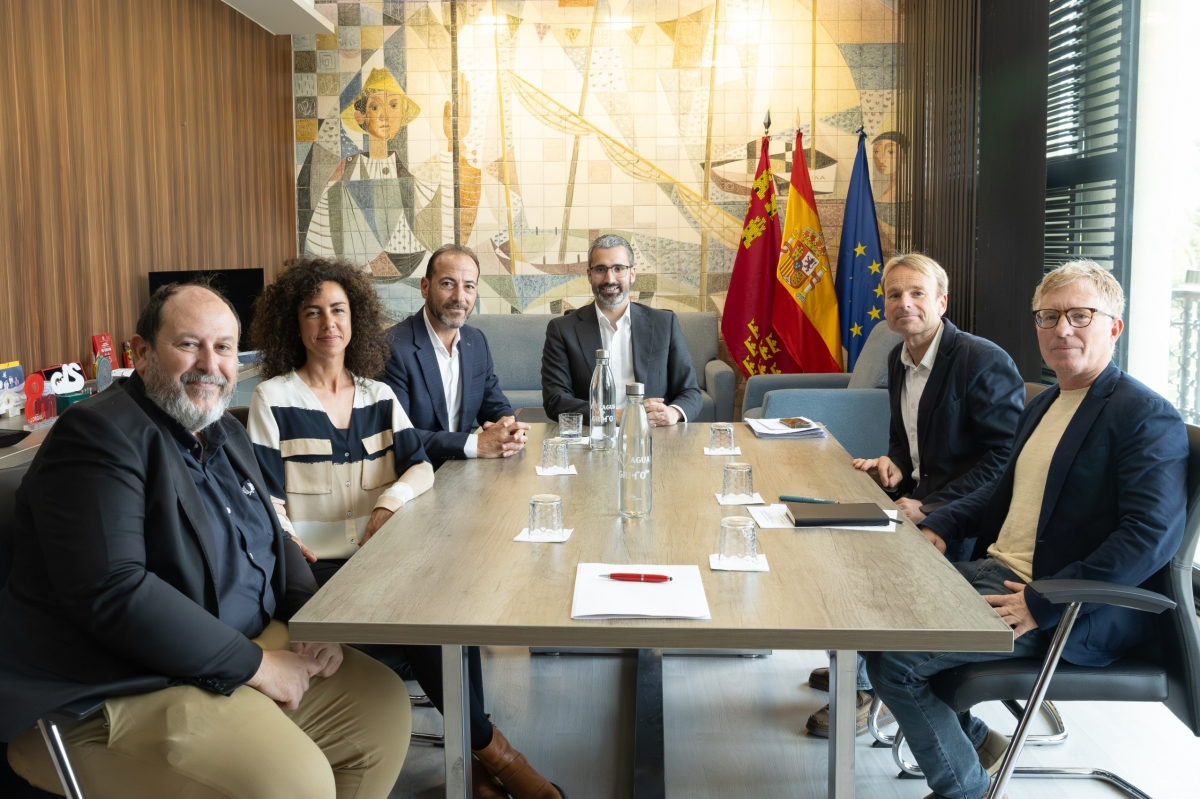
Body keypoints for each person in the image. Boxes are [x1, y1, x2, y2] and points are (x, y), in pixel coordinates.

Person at [1, 283, 411, 799]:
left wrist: (312, 620)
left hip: (240, 649)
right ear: (143, 352)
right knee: (294, 783)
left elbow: (276, 536)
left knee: (382, 708)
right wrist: (257, 667)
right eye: (189, 344)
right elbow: (113, 590)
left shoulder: (222, 430)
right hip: (119, 688)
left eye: (223, 348)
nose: (209, 364)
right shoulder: (98, 434)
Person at [866, 260, 1187, 799]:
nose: (1062, 329)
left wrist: (1044, 604)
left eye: (1080, 315)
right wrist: (941, 525)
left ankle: (964, 790)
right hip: (998, 570)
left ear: (1114, 327)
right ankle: (969, 739)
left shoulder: (1143, 415)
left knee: (895, 663)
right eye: (1049, 316)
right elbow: (1000, 492)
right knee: (878, 607)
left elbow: (1150, 536)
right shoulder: (1046, 402)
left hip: (1066, 606)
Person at [246, 258, 564, 799]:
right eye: (314, 312)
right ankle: (497, 757)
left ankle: (479, 767)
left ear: (356, 320)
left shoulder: (376, 394)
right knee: (425, 619)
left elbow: (417, 464)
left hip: (379, 558)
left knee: (451, 607)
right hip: (310, 572)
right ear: (294, 324)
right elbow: (263, 496)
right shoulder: (273, 398)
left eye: (339, 311)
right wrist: (287, 539)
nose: (329, 324)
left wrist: (389, 502)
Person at [805, 253, 1024, 738]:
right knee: (831, 543)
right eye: (894, 294)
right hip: (917, 500)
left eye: (917, 293)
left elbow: (1006, 460)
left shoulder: (981, 359)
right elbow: (906, 443)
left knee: (867, 571)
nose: (904, 303)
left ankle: (865, 689)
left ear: (942, 301)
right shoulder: (898, 357)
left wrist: (931, 507)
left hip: (966, 520)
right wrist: (894, 468)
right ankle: (858, 668)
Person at [382, 244, 530, 469]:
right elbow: (397, 435)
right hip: (411, 473)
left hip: (462, 471)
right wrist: (476, 444)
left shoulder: (476, 341)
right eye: (448, 284)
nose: (459, 297)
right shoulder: (392, 346)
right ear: (425, 286)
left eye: (469, 286)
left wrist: (510, 428)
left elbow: (494, 403)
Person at [541, 234, 702, 425]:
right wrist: (614, 416)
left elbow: (690, 391)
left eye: (619, 268)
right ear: (589, 274)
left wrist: (673, 413)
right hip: (593, 436)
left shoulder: (664, 324)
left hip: (654, 434)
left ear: (632, 273)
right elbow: (555, 400)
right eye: (601, 269)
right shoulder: (562, 329)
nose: (610, 279)